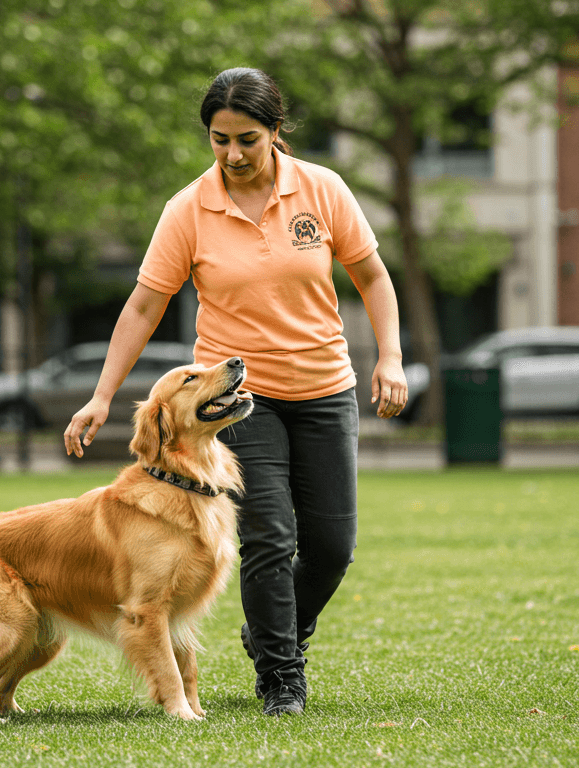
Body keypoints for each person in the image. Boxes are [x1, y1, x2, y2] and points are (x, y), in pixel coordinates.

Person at [64, 67, 407, 716]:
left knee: (333, 549)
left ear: (277, 132)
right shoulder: (188, 209)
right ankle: (282, 676)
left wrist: (390, 356)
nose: (232, 154)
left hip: (326, 391)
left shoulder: (323, 190)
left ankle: (271, 632)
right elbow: (143, 306)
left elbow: (373, 277)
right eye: (219, 140)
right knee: (270, 537)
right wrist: (102, 395)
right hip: (239, 405)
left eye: (247, 138)